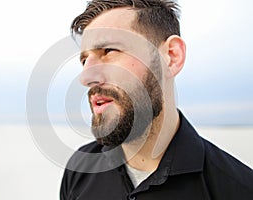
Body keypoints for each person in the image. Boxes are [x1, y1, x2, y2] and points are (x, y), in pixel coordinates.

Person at [60, 0, 253, 199]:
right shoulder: (79, 170)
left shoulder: (238, 189)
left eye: (109, 51)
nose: (86, 77)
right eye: (85, 60)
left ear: (171, 56)